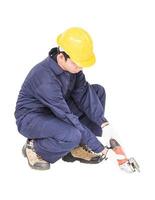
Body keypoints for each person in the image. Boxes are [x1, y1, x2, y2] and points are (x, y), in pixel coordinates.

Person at [15, 27, 139, 172]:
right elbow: (66, 115)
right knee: (73, 134)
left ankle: (76, 148)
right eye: (76, 63)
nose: (79, 67)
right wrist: (101, 149)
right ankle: (35, 148)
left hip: (57, 110)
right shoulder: (44, 78)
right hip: (33, 118)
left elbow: (84, 94)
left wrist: (104, 124)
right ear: (61, 56)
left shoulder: (73, 69)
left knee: (97, 92)